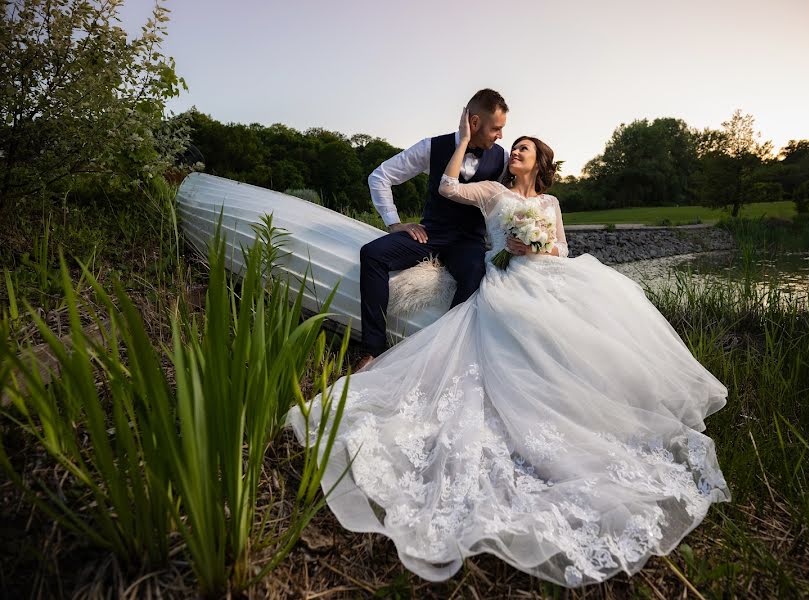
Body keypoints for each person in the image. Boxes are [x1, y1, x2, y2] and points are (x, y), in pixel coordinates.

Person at [288, 109, 730, 588]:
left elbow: (560, 246)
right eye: (511, 144)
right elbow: (448, 188)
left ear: (539, 162)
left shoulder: (552, 201)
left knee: (587, 318)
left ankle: (591, 397)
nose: (513, 149)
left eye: (523, 148)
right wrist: (460, 142)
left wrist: (537, 246)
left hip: (546, 272)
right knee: (516, 317)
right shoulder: (493, 191)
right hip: (507, 278)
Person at [357, 89, 509, 370]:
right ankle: (373, 351)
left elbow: (513, 200)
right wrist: (394, 222)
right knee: (372, 254)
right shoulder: (431, 147)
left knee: (476, 274)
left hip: (468, 241)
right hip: (430, 235)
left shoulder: (502, 159)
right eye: (496, 128)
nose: (500, 135)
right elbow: (380, 176)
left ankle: (443, 357)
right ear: (474, 123)